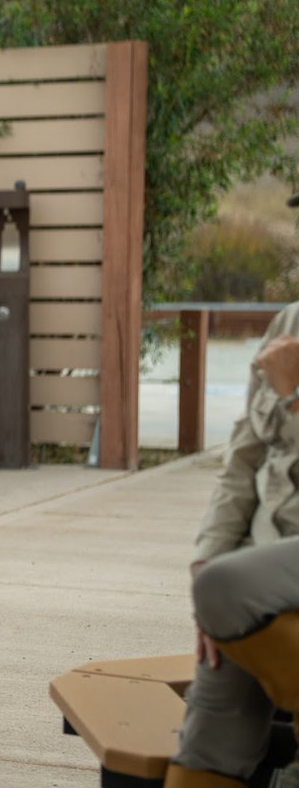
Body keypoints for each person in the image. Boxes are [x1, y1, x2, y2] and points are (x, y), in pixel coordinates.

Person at [166, 192, 299, 787]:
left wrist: (294, 395)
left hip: (271, 576)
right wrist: (208, 559)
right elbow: (243, 458)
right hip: (259, 572)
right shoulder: (288, 322)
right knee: (208, 734)